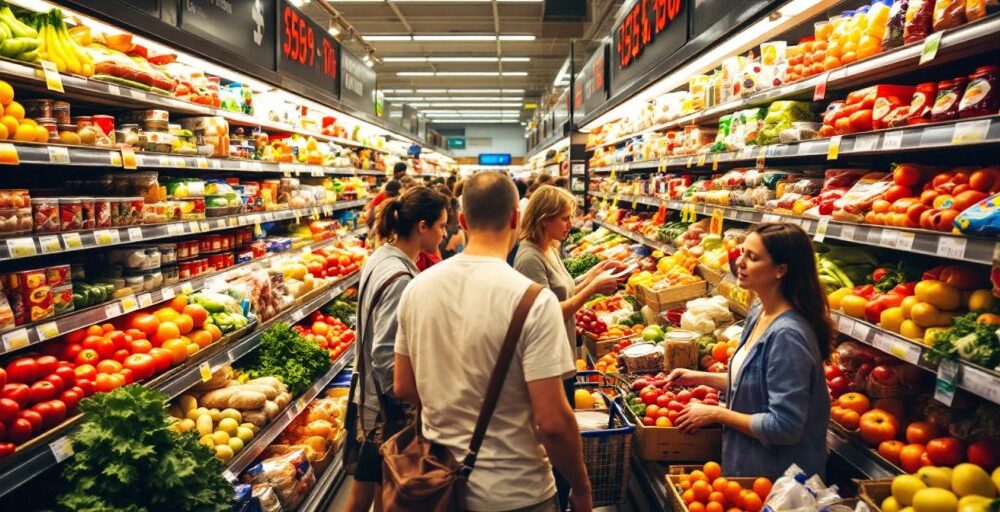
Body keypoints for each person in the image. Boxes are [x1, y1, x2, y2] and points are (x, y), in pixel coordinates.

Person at [393, 172, 592, 512]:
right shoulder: (533, 301)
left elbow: (404, 386)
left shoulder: (417, 288)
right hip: (518, 491)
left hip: (438, 484)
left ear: (462, 220)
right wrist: (581, 486)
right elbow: (553, 422)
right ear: (515, 217)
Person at [667, 223, 832, 479]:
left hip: (778, 481)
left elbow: (785, 426)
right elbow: (753, 384)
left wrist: (717, 413)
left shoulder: (788, 335)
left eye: (752, 257)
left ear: (781, 270)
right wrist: (697, 377)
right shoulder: (759, 310)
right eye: (742, 253)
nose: (740, 263)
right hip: (748, 468)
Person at [513, 185, 619, 509]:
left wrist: (591, 276)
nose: (569, 224)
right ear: (544, 220)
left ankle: (563, 486)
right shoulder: (529, 257)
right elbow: (547, 311)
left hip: (563, 353)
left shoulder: (550, 247)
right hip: (548, 360)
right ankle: (559, 493)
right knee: (557, 430)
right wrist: (594, 290)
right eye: (564, 218)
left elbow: (562, 289)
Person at [345, 187, 449, 512]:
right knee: (382, 491)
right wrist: (418, 398)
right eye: (442, 226)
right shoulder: (401, 277)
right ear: (422, 226)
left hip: (370, 399)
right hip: (387, 409)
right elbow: (386, 354)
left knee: (372, 489)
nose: (445, 234)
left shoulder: (382, 256)